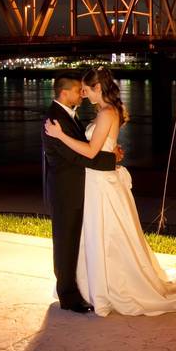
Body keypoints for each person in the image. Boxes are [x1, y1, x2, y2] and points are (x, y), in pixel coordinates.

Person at [45, 67, 176, 316]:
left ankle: (108, 285)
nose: (84, 95)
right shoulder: (105, 112)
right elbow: (98, 149)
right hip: (94, 182)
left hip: (101, 184)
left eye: (87, 90)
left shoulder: (106, 113)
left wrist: (61, 135)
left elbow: (91, 151)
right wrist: (111, 153)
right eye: (80, 91)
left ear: (98, 88)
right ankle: (91, 284)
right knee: (97, 235)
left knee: (107, 235)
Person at [42, 73, 119, 313]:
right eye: (78, 91)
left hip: (77, 188)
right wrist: (110, 159)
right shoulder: (54, 121)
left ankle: (76, 287)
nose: (82, 95)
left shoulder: (68, 116)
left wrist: (110, 153)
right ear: (65, 94)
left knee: (74, 240)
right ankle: (68, 296)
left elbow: (83, 148)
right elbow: (76, 156)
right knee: (65, 243)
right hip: (66, 191)